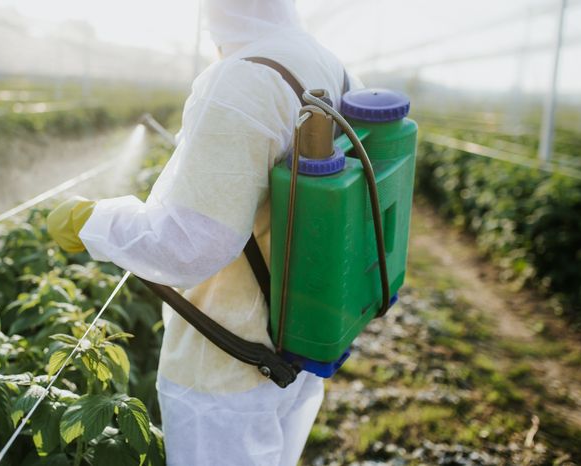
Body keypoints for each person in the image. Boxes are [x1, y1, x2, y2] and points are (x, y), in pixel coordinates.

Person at [48, 1, 359, 464]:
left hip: (227, 364)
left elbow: (191, 244)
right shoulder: (323, 60)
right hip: (298, 335)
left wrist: (92, 221)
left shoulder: (244, 79)